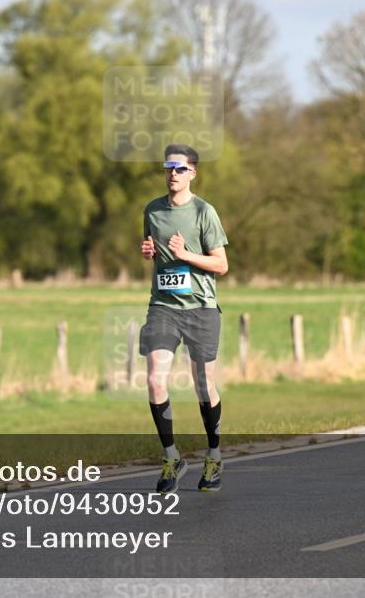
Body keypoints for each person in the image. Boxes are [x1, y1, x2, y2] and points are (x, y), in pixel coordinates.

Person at [139, 143, 229, 493]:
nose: (172, 174)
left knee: (204, 386)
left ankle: (215, 455)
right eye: (168, 168)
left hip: (201, 307)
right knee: (155, 381)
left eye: (179, 169)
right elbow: (154, 251)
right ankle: (171, 457)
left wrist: (186, 255)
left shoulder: (205, 212)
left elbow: (221, 265)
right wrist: (149, 252)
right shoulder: (152, 210)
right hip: (163, 306)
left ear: (192, 172)